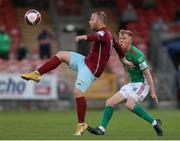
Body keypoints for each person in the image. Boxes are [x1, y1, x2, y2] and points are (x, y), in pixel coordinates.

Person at [21, 12, 133, 135]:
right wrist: (123, 59)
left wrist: (84, 37)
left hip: (91, 69)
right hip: (85, 61)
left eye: (92, 19)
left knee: (78, 92)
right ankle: (37, 74)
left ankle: (81, 125)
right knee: (61, 54)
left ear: (99, 21)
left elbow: (97, 37)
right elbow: (116, 46)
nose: (90, 21)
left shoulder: (104, 34)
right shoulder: (109, 35)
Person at [87, 29, 163, 136]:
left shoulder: (138, 55)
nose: (121, 41)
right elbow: (126, 68)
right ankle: (101, 129)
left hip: (142, 84)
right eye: (120, 38)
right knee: (109, 102)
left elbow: (148, 74)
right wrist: (126, 85)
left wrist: (153, 92)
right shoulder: (121, 53)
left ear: (130, 40)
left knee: (129, 104)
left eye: (124, 38)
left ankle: (155, 123)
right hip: (132, 84)